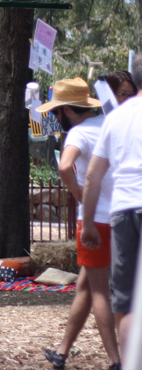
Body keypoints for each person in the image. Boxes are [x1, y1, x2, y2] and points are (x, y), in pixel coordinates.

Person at [35, 78, 120, 370]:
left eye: (56, 112)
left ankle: (115, 360)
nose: (54, 119)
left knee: (99, 291)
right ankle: (62, 350)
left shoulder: (78, 134)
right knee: (85, 285)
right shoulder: (110, 124)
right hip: (123, 216)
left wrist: (77, 192)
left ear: (68, 110)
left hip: (94, 220)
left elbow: (63, 165)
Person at [81, 56, 142, 365]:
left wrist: (88, 223)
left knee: (128, 304)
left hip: (122, 211)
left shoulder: (114, 119)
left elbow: (92, 175)